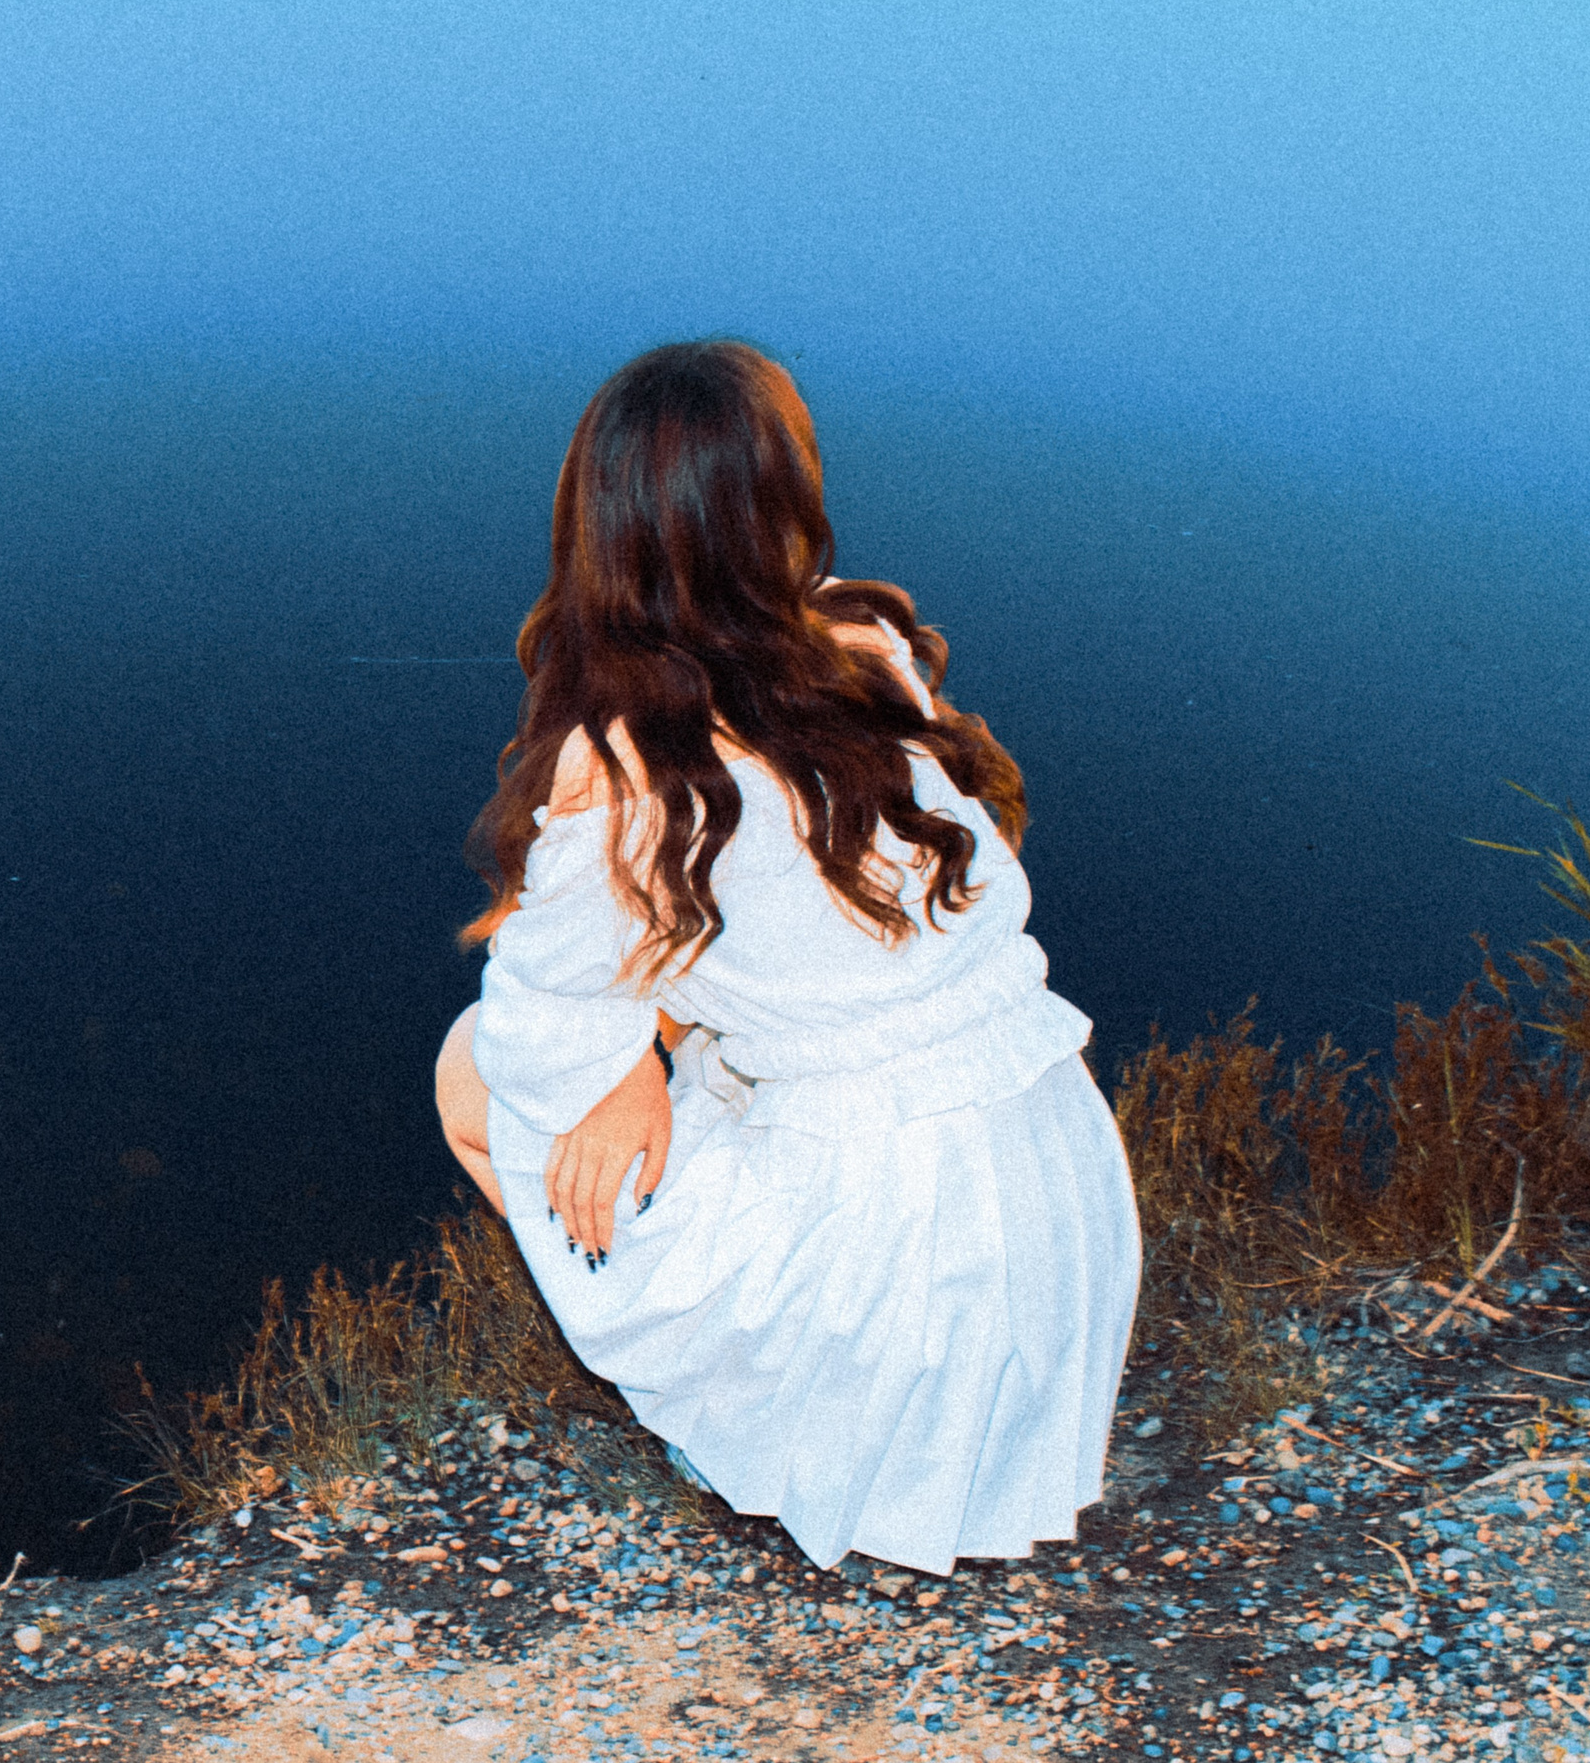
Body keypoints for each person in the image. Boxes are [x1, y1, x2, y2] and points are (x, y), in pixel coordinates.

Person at [434, 339, 1140, 1577]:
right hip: (1052, 1201)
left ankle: (727, 1410)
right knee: (670, 1038)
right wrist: (641, 1049)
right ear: (785, 497)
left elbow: (538, 1027)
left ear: (600, 527)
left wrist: (615, 1067)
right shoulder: (869, 648)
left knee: (469, 1070)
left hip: (886, 1253)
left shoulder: (625, 764)